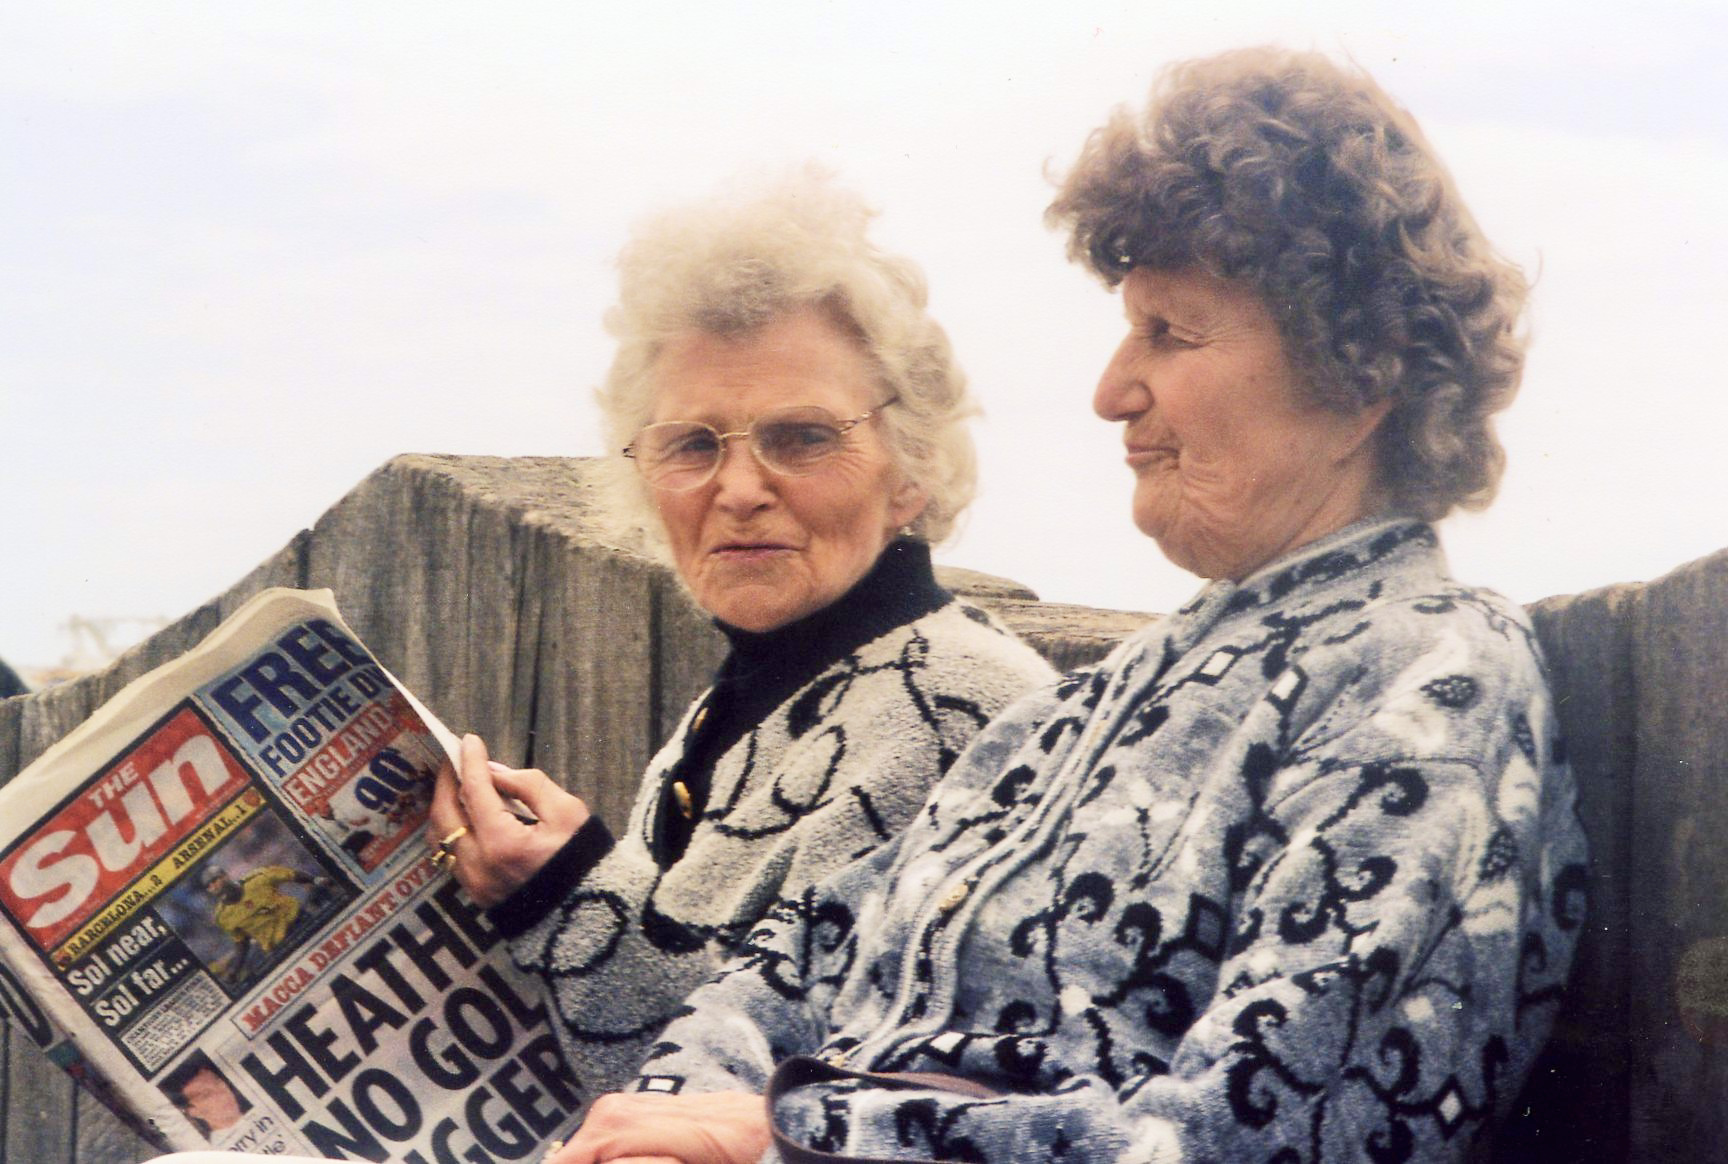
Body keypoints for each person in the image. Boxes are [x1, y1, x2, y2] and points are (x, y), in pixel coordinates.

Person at [551, 48, 1589, 1164]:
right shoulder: (1081, 709)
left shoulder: (1428, 681)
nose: (1110, 391)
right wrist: (666, 1123)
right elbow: (785, 977)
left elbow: (1275, 1130)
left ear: (1363, 373)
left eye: (1170, 333)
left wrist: (787, 1141)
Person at [425, 172, 1055, 1111]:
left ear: (912, 470)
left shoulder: (980, 714)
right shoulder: (730, 710)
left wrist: (562, 896)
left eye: (800, 437)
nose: (740, 487)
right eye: (691, 445)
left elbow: (823, 1100)